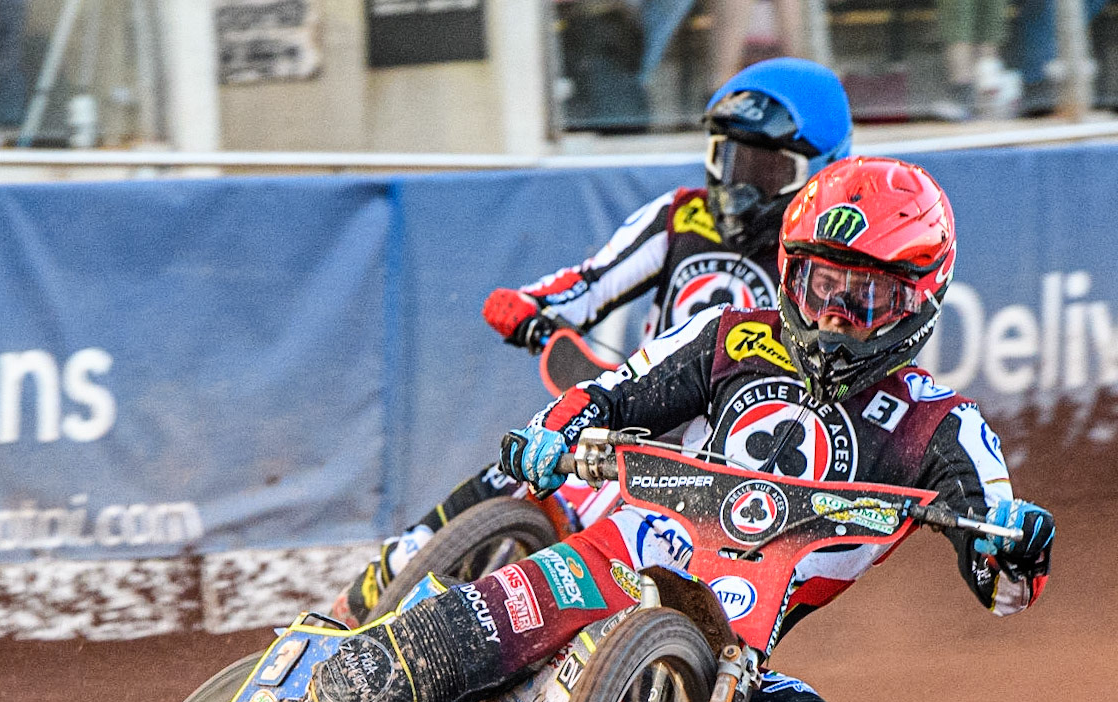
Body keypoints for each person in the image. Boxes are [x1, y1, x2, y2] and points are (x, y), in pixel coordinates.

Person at [85, 156, 1058, 702]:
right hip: (596, 572)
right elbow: (611, 393)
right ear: (788, 276)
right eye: (818, 285)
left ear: (918, 300)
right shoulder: (730, 336)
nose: (835, 313)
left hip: (727, 659)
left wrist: (1013, 547)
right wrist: (555, 432)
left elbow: (1004, 577)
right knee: (378, 673)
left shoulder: (944, 429)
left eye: (865, 296)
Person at [328, 55, 852, 627]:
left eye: (765, 170)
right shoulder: (681, 217)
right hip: (635, 410)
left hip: (722, 469)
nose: (738, 187)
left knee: (635, 591)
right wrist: (535, 307)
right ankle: (368, 594)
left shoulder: (824, 271)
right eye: (730, 160)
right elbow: (591, 281)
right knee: (512, 470)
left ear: (819, 173)